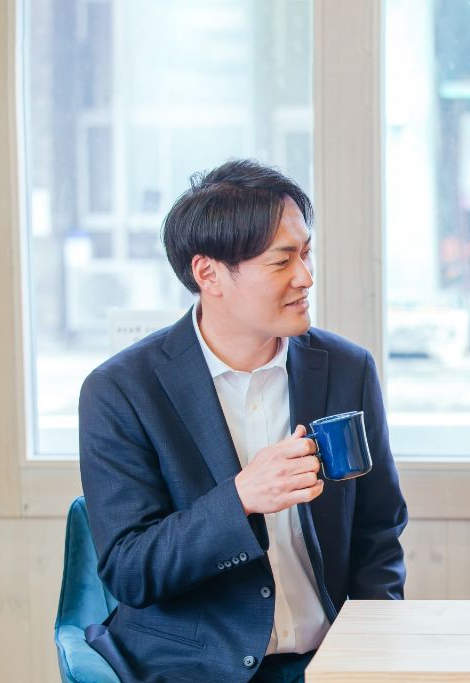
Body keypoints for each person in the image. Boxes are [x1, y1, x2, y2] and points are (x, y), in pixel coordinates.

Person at [79, 159, 408, 683]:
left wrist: (371, 648)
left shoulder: (347, 369)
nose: (305, 277)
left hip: (329, 661)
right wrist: (240, 499)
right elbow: (130, 569)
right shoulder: (122, 390)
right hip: (192, 668)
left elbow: (378, 530)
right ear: (208, 274)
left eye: (306, 253)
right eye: (281, 262)